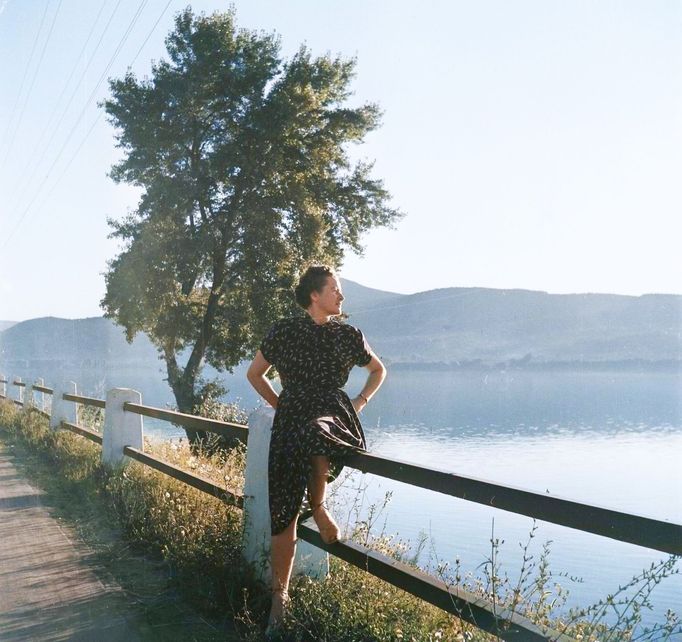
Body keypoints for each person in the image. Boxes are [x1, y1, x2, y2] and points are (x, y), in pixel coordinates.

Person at [246, 265, 386, 630]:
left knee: (316, 433)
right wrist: (279, 405)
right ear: (314, 295)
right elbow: (254, 373)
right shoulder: (284, 330)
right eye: (335, 289)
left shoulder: (349, 335)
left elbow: (378, 371)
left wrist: (360, 402)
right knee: (283, 512)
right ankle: (280, 599)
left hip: (331, 415)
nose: (341, 296)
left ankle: (320, 508)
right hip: (292, 417)